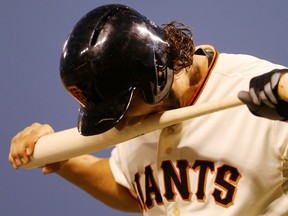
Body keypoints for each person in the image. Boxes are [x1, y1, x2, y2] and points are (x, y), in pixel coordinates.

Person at [8, 4, 288, 216]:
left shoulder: (266, 97)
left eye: (122, 110)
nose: (117, 126)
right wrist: (64, 162)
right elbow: (133, 188)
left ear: (156, 80)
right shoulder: (139, 116)